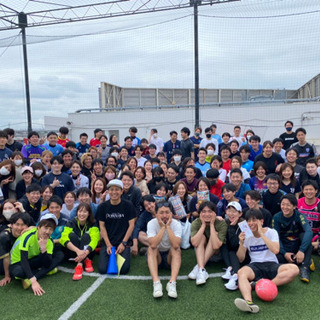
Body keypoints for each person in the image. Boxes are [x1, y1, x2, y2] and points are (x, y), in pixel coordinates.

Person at [234, 209, 299, 314]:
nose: (251, 223)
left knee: (294, 269)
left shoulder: (271, 232)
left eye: (254, 220)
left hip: (272, 264)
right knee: (241, 272)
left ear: (261, 221)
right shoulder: (246, 236)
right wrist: (241, 243)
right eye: (248, 221)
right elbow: (240, 258)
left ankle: (260, 285)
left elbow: (276, 250)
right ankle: (249, 303)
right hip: (255, 265)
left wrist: (261, 234)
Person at [9, 213, 60, 296]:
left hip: (32, 259)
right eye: (45, 228)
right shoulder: (28, 235)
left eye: (51, 229)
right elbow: (23, 259)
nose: (47, 232)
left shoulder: (50, 241)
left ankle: (32, 276)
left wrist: (43, 249)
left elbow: (47, 264)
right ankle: (45, 272)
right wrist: (33, 281)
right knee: (18, 272)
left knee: (59, 255)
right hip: (17, 262)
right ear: (39, 227)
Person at [97, 179, 136, 275]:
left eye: (117, 190)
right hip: (108, 242)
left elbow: (131, 225)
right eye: (112, 189)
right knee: (102, 269)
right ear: (108, 192)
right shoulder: (103, 207)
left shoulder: (128, 205)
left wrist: (123, 243)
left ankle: (126, 249)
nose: (114, 192)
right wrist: (108, 244)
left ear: (121, 191)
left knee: (124, 269)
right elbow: (102, 227)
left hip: (123, 241)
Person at [272, 194, 313, 283]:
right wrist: (284, 253)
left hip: (297, 245)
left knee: (306, 238)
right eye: (283, 204)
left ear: (294, 206)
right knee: (277, 257)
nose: (285, 207)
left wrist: (301, 250)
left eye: (288, 205)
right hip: (284, 247)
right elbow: (276, 237)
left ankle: (305, 268)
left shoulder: (299, 216)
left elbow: (309, 231)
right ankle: (305, 260)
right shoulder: (276, 217)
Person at [147, 201, 182, 298]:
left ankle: (172, 283)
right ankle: (156, 282)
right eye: (161, 213)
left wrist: (168, 227)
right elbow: (153, 244)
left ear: (171, 214)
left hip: (170, 257)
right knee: (151, 248)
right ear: (156, 214)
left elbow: (175, 244)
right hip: (156, 256)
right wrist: (163, 227)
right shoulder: (151, 223)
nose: (164, 215)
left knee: (176, 249)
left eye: (167, 212)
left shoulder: (176, 224)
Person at [188, 201, 227, 285]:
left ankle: (198, 267)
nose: (207, 214)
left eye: (210, 211)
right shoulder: (196, 223)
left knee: (215, 235)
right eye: (204, 212)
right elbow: (194, 243)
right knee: (200, 237)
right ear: (200, 213)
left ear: (215, 213)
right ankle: (202, 269)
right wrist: (203, 225)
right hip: (200, 251)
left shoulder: (221, 223)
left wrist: (212, 224)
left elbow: (216, 246)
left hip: (217, 255)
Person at [60, 203, 100, 280]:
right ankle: (86, 261)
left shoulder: (93, 223)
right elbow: (63, 238)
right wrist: (78, 251)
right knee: (72, 236)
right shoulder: (71, 222)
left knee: (86, 236)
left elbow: (95, 239)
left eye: (85, 212)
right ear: (77, 212)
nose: (82, 214)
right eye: (80, 211)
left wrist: (85, 253)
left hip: (88, 253)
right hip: (74, 253)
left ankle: (79, 265)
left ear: (89, 214)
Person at [0, 212, 30, 286]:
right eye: (17, 224)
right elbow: (6, 258)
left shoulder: (28, 232)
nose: (19, 228)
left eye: (23, 225)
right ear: (11, 225)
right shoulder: (5, 236)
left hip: (15, 259)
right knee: (18, 271)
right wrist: (7, 276)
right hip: (2, 261)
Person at [220, 201, 245, 290]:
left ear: (240, 213)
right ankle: (230, 268)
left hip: (242, 252)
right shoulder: (225, 221)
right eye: (229, 211)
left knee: (232, 250)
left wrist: (231, 227)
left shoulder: (243, 224)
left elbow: (235, 244)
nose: (231, 214)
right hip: (230, 250)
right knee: (223, 245)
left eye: (234, 211)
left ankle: (235, 274)